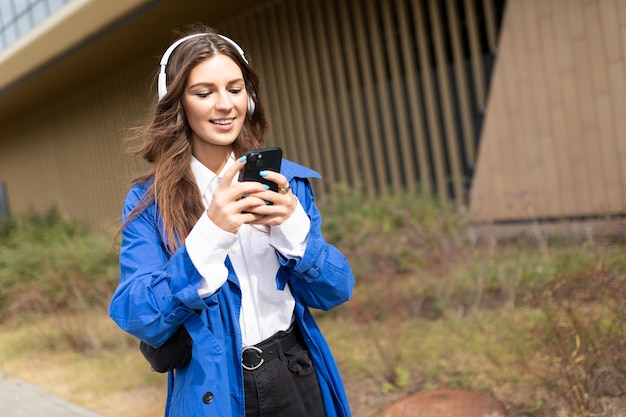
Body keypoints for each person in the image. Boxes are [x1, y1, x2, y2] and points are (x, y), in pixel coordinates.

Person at [108, 24, 355, 417]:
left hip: (296, 375)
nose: (225, 105)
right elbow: (139, 314)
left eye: (235, 89)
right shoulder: (149, 203)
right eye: (204, 93)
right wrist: (211, 231)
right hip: (214, 388)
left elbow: (335, 290)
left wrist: (293, 229)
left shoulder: (285, 183)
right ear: (177, 103)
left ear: (250, 98)